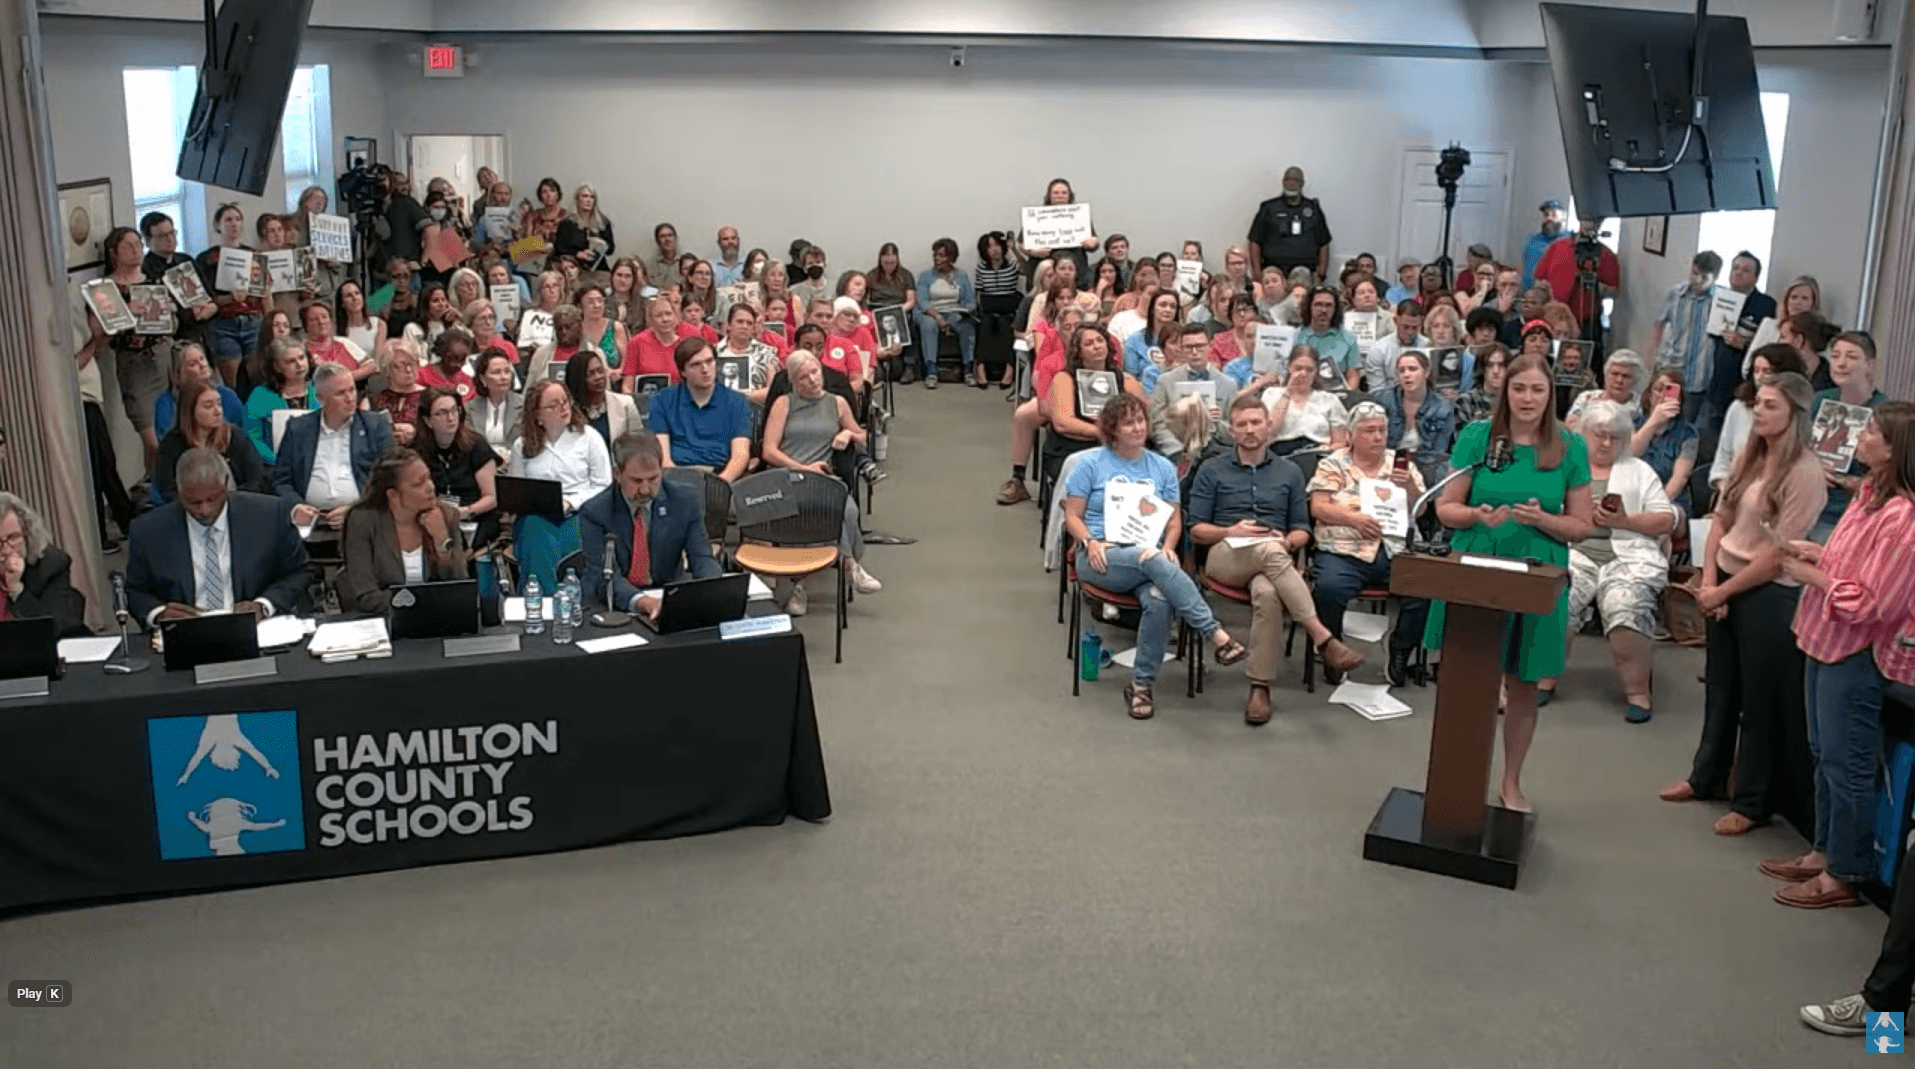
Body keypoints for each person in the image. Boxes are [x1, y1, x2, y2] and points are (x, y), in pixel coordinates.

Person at [1758, 402, 1915, 912]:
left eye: (1870, 429)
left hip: (1857, 652)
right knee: (1824, 754)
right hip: (1824, 638)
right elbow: (1855, 566)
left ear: (1894, 448)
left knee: (1847, 764)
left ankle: (1844, 872)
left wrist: (1816, 578)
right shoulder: (1868, 493)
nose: (1859, 434)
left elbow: (1875, 603)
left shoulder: (1904, 518)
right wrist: (1818, 553)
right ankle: (1825, 851)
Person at [1427, 352, 1595, 812]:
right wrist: (1476, 514)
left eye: (1537, 390)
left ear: (1550, 395)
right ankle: (1457, 783)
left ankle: (1511, 782)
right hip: (1477, 561)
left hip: (1537, 571)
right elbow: (1445, 509)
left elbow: (1582, 525)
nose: (1527, 398)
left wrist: (1545, 520)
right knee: (1470, 676)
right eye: (1519, 389)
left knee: (1522, 684)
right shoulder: (1478, 437)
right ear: (1505, 392)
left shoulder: (1568, 447)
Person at [1660, 372, 1826, 835]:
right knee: (1720, 689)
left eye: (1771, 405)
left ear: (1794, 413)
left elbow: (1780, 556)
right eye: (1758, 403)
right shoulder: (1751, 457)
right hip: (1726, 577)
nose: (1759, 412)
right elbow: (1722, 518)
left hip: (1768, 593)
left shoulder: (1805, 472)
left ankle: (1752, 801)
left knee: (1758, 701)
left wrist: (1724, 592)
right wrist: (1710, 579)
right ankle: (1706, 776)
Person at [1063, 393, 1248, 719]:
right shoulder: (1090, 464)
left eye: (1141, 421)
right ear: (1112, 429)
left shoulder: (1162, 467)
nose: (1137, 428)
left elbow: (1174, 521)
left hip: (1150, 557)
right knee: (1150, 559)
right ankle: (1215, 634)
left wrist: (1167, 547)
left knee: (1160, 597)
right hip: (1103, 556)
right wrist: (1090, 542)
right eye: (1128, 422)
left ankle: (1141, 686)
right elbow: (1073, 515)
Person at [1190, 394, 1362, 722]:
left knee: (1268, 593)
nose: (1250, 430)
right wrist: (1231, 532)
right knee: (1269, 552)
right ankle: (1322, 636)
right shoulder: (1212, 469)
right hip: (1225, 555)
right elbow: (1196, 529)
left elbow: (1302, 530)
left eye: (1256, 422)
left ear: (1269, 426)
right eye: (1242, 424)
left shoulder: (1290, 471)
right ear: (1232, 431)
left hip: (1274, 556)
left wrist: (1286, 541)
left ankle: (1260, 686)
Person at [1533, 399, 1678, 720]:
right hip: (1575, 552)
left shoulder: (1639, 471)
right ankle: (1545, 678)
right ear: (1583, 435)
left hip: (1629, 557)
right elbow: (1541, 513)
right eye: (1599, 435)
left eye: (1614, 437)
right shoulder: (1564, 468)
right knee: (1557, 598)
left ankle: (1638, 692)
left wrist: (1624, 521)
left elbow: (1666, 520)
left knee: (1625, 607)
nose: (1606, 443)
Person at [1305, 401, 1428, 688]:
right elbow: (1318, 507)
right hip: (1344, 548)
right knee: (1329, 588)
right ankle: (1332, 650)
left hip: (1394, 548)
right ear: (1351, 435)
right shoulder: (1333, 463)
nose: (1377, 437)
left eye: (1382, 430)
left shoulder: (1401, 464)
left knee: (1422, 588)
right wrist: (1354, 519)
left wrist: (1408, 485)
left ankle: (1400, 650)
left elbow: (1420, 511)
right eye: (1369, 431)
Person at [126, 447, 310, 627]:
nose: (205, 511)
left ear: (226, 484)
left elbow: (299, 571)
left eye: (212, 499)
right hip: (186, 635)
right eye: (194, 502)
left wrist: (264, 605)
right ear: (179, 492)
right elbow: (136, 590)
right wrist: (158, 613)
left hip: (256, 629)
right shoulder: (148, 531)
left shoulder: (269, 515)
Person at [760, 351, 884, 605]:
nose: (813, 380)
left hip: (823, 477)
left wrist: (848, 435)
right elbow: (769, 450)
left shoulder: (837, 402)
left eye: (815, 372)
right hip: (789, 474)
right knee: (809, 514)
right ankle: (848, 567)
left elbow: (861, 436)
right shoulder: (784, 403)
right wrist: (802, 468)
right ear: (794, 382)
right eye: (804, 378)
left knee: (846, 510)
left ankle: (816, 581)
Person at [578, 431, 722, 620]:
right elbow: (605, 576)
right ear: (617, 474)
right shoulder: (595, 512)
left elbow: (702, 557)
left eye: (653, 479)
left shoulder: (684, 501)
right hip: (615, 604)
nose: (645, 490)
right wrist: (642, 601)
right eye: (637, 481)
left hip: (667, 594)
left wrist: (711, 589)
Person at [330, 446, 468, 614]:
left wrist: (441, 540)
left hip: (438, 621)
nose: (430, 487)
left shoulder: (446, 515)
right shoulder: (362, 520)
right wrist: (417, 605)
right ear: (393, 495)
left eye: (428, 478)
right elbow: (365, 595)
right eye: (418, 484)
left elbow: (460, 585)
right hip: (382, 619)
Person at [511, 380, 612, 591]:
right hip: (537, 516)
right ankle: (542, 597)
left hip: (580, 511)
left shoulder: (589, 438)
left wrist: (570, 502)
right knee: (533, 531)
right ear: (537, 414)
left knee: (576, 535)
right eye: (553, 405)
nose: (563, 408)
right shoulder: (521, 446)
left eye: (565, 402)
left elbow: (603, 485)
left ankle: (571, 597)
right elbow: (516, 490)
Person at [271, 363, 396, 534]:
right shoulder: (298, 429)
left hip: (364, 519)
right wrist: (295, 507)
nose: (350, 398)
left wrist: (356, 510)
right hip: (310, 522)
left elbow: (391, 478)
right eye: (340, 393)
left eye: (352, 389)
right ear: (321, 398)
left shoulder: (375, 426)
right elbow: (281, 480)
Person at [1811, 332, 1891, 542]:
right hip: (1807, 500)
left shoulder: (1885, 412)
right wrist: (1811, 463)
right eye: (1836, 356)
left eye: (1852, 357)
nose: (1841, 363)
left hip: (1850, 513)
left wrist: (1853, 481)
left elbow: (1894, 476)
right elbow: (1795, 447)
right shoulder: (1820, 400)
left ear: (1870, 365)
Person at [1043, 324, 1146, 480]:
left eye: (1100, 341)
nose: (1096, 346)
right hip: (1073, 448)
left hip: (1120, 447)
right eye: (1089, 343)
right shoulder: (1064, 379)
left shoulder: (1127, 380)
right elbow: (1062, 423)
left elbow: (1145, 415)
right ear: (1079, 352)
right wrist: (1107, 433)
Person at [648, 337, 751, 481]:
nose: (705, 369)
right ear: (682, 371)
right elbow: (663, 456)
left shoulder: (736, 401)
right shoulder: (663, 400)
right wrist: (676, 483)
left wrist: (719, 485)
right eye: (696, 364)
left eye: (709, 361)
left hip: (719, 474)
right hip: (677, 473)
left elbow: (740, 455)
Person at [155, 378, 268, 505]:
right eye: (208, 406)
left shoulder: (234, 435)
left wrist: (227, 501)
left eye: (219, 404)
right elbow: (168, 489)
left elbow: (257, 479)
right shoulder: (171, 444)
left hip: (237, 505)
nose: (217, 411)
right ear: (190, 412)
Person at [1710, 344, 1807, 491]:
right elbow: (1722, 458)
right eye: (1756, 371)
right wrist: (1724, 488)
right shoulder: (1739, 407)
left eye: (1767, 371)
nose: (1760, 377)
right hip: (1732, 492)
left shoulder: (1800, 412)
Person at [416, 385, 502, 550]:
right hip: (434, 516)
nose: (451, 418)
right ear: (427, 421)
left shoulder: (476, 445)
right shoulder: (417, 452)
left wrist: (464, 511)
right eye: (442, 413)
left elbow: (491, 498)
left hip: (476, 515)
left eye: (454, 410)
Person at [1149, 323, 1239, 470]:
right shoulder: (1165, 381)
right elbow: (1158, 425)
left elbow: (1236, 431)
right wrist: (1178, 453)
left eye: (1200, 346)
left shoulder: (1228, 385)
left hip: (1217, 456)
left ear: (1209, 346)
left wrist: (1217, 423)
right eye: (1189, 347)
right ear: (1182, 349)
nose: (1195, 352)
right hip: (1175, 454)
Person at [1704, 252, 1778, 430]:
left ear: (1755, 277)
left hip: (1744, 385)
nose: (1738, 273)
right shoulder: (1719, 297)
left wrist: (1743, 344)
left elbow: (1768, 347)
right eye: (1735, 268)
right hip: (1714, 383)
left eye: (1745, 270)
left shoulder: (1766, 305)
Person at [0, 493, 88, 636]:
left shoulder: (50, 565)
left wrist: (17, 590)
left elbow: (57, 630)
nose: (6, 549)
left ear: (27, 535)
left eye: (13, 537)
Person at [1372, 350, 1454, 486]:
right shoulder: (1383, 399)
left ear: (1426, 373)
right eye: (1402, 370)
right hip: (1386, 465)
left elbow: (1438, 454)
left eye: (1413, 369)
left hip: (1426, 468)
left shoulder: (1442, 407)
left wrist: (1412, 474)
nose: (1407, 375)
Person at [1631, 368, 1700, 514]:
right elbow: (1631, 453)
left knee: (1664, 519)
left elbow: (1680, 478)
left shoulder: (1688, 433)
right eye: (1658, 389)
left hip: (1669, 499)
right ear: (1649, 395)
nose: (1662, 396)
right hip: (1632, 492)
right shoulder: (1632, 422)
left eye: (1669, 391)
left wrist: (1657, 505)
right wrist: (1653, 422)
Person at [1259, 346, 1350, 457]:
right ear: (1289, 367)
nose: (1303, 374)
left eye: (1309, 370)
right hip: (1280, 456)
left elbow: (1340, 443)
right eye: (1298, 368)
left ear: (1316, 371)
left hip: (1318, 455)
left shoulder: (1329, 400)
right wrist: (1288, 392)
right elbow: (1270, 430)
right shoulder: (1272, 394)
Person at [1533, 215, 1619, 329]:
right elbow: (1539, 280)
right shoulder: (1558, 246)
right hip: (1552, 318)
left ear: (1601, 222)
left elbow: (1614, 291)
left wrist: (1596, 285)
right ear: (1580, 219)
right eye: (1587, 219)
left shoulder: (1605, 254)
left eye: (1595, 220)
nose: (1590, 224)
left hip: (1585, 323)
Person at [1247, 166, 1331, 281]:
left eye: (1295, 180)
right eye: (1288, 180)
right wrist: (1257, 273)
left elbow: (1324, 243)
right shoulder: (1269, 208)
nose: (1291, 183)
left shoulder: (1313, 209)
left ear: (1302, 183)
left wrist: (1321, 274)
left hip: (1305, 271)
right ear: (1283, 182)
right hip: (1273, 270)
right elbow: (1255, 241)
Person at [915, 237, 978, 387]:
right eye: (935, 255)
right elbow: (922, 301)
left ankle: (968, 369)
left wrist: (966, 310)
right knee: (929, 325)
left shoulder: (961, 276)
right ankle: (931, 371)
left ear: (951, 257)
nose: (937, 259)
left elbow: (970, 301)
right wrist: (937, 316)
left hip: (954, 311)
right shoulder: (925, 276)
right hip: (930, 312)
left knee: (966, 325)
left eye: (942, 255)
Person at [242, 339, 316, 463]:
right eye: (291, 361)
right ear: (277, 367)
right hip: (273, 467)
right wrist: (277, 462)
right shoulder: (261, 396)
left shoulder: (321, 390)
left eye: (301, 358)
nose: (299, 364)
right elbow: (252, 437)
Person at [1015, 178, 1100, 285]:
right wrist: (1033, 252)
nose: (1060, 195)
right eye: (1056, 193)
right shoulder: (1036, 216)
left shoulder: (1079, 216)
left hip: (1075, 273)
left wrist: (1093, 242)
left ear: (1070, 196)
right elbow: (1022, 244)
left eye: (1064, 193)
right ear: (1049, 196)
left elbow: (1095, 243)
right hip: (1044, 274)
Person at [152, 343, 245, 439]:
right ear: (178, 373)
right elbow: (167, 443)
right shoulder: (166, 403)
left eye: (202, 359)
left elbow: (245, 432)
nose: (202, 365)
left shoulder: (227, 395)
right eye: (193, 364)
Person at [564, 349, 642, 448]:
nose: (598, 377)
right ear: (578, 379)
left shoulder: (625, 404)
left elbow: (639, 446)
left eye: (600, 371)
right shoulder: (568, 411)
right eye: (590, 374)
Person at [1293, 287, 1361, 397]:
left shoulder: (1349, 339)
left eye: (1329, 305)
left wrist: (1349, 395)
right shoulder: (1294, 337)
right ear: (1309, 307)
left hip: (1337, 396)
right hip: (1301, 394)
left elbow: (1353, 375)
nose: (1324, 310)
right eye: (1318, 305)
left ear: (1335, 309)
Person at [1565, 347, 1645, 430]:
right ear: (1606, 375)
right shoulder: (1586, 397)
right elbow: (1569, 427)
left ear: (1635, 380)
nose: (1619, 380)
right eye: (1614, 374)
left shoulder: (1639, 405)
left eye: (1626, 376)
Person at [370, 340, 428, 448]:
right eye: (401, 365)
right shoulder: (372, 400)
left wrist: (417, 434)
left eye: (412, 363)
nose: (409, 370)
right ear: (387, 369)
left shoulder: (430, 396)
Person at [553, 185, 614, 278]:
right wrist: (577, 254)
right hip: (575, 269)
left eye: (592, 197)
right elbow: (559, 250)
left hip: (599, 268)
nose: (589, 200)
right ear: (577, 200)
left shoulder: (603, 222)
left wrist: (603, 244)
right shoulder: (567, 223)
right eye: (585, 196)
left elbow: (611, 250)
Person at [1365, 301, 1426, 392]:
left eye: (1415, 327)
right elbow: (1376, 391)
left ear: (1421, 323)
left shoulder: (1428, 346)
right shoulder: (1379, 350)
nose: (1410, 332)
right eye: (1405, 327)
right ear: (1396, 321)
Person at [1453, 342, 1509, 425]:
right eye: (1489, 365)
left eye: (1501, 365)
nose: (1496, 371)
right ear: (1481, 368)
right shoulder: (1466, 401)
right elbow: (1461, 436)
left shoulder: (1514, 400)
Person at [1521, 200, 1567, 287]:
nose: (1549, 218)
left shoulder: (1569, 240)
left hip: (1557, 297)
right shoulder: (1533, 240)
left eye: (1554, 215)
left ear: (1563, 217)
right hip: (1530, 294)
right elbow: (1523, 267)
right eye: (1546, 215)